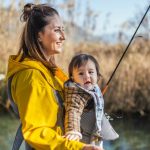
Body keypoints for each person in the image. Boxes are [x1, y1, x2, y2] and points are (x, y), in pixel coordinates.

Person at [6, 3, 103, 150]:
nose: (63, 37)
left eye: (63, 30)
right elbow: (34, 131)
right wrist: (78, 148)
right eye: (57, 30)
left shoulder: (51, 72)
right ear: (39, 35)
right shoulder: (31, 76)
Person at [63, 54, 119, 149]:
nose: (87, 76)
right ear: (72, 78)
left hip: (94, 136)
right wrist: (73, 131)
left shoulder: (93, 88)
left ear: (97, 75)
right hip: (82, 139)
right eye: (81, 73)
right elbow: (73, 110)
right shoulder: (75, 93)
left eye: (91, 72)